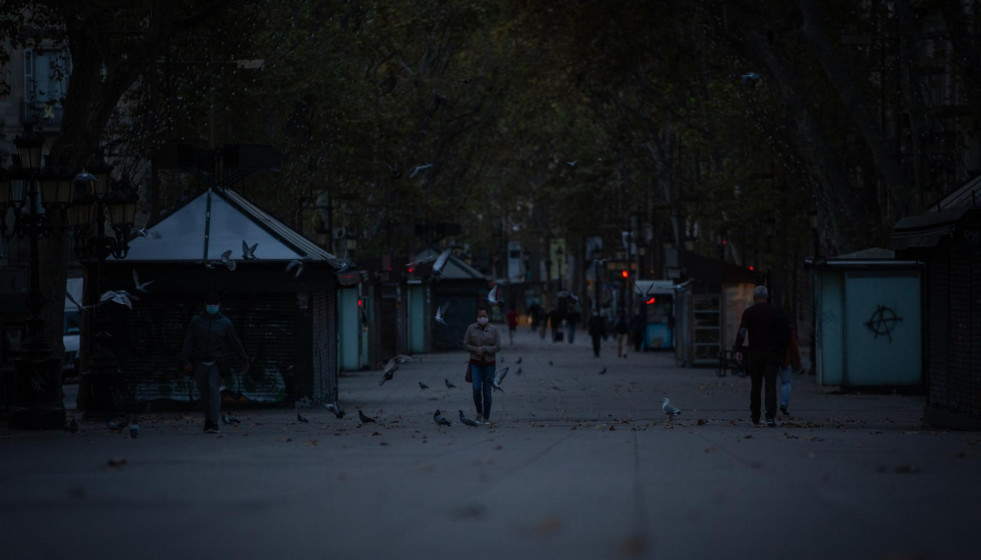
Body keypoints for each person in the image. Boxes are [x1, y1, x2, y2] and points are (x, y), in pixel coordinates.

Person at [180, 293, 250, 434]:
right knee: (204, 393)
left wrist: (244, 360)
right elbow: (188, 342)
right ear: (205, 305)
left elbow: (235, 342)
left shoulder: (225, 323)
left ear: (219, 305)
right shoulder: (197, 321)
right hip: (200, 362)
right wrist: (185, 361)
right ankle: (208, 419)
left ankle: (213, 421)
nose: (212, 306)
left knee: (213, 389)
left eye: (215, 304)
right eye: (210, 303)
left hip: (217, 362)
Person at [734, 285, 787, 427]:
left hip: (755, 354)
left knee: (755, 385)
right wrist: (782, 351)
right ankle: (770, 416)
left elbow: (742, 331)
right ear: (767, 297)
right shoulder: (775, 312)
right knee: (770, 385)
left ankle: (755, 416)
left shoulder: (749, 312)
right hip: (772, 353)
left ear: (754, 297)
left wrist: (738, 349)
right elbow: (782, 333)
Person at [462, 307, 501, 425]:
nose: (482, 318)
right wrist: (475, 349)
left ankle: (486, 417)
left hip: (489, 364)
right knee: (476, 389)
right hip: (475, 363)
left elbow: (498, 347)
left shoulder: (493, 329)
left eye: (484, 316)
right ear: (477, 317)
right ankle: (479, 412)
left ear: (488, 317)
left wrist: (485, 349)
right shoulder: (471, 328)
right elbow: (465, 344)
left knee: (487, 391)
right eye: (480, 316)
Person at [777, 320, 802, 416]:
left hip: (772, 360)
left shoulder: (771, 327)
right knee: (786, 383)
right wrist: (798, 361)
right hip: (785, 360)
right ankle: (784, 403)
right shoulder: (789, 329)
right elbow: (794, 346)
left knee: (771, 385)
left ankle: (771, 407)